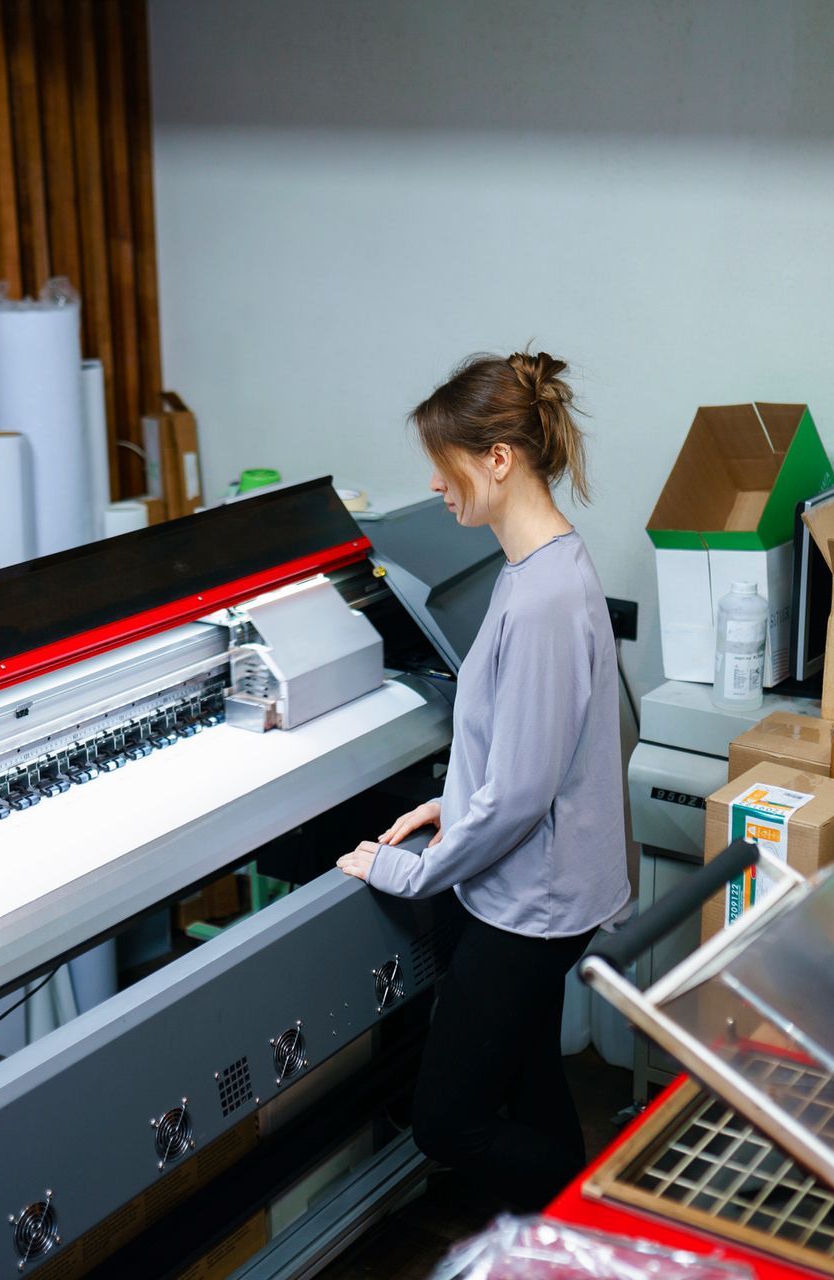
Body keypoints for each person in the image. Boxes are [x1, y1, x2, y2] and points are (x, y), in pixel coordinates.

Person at [335, 350, 628, 1208]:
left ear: (498, 458)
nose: (434, 481)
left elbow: (520, 794)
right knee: (531, 1084)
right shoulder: (541, 569)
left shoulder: (539, 600)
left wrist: (404, 869)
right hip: (544, 889)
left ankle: (589, 1218)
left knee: (447, 1122)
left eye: (445, 460)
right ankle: (548, 1242)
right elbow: (524, 754)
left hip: (529, 908)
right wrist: (444, 802)